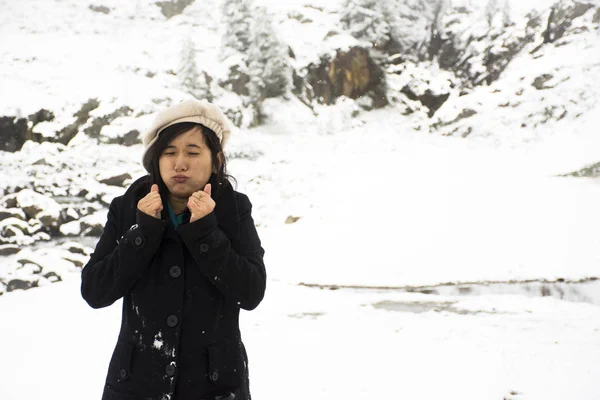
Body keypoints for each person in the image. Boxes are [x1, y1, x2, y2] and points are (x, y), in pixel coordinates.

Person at [81, 98, 266, 400]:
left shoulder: (233, 209)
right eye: (169, 152)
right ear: (155, 160)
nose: (180, 163)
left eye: (193, 152)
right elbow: (95, 291)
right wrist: (143, 232)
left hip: (216, 386)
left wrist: (205, 231)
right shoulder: (127, 208)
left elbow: (251, 292)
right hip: (136, 385)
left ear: (216, 160)